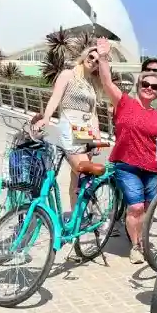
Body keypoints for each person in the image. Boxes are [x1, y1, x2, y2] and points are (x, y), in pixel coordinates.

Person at [97, 38, 157, 265]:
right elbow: (107, 81)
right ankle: (136, 246)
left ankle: (142, 240)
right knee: (135, 207)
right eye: (145, 84)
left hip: (151, 168)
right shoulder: (124, 103)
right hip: (127, 165)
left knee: (147, 209)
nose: (149, 89)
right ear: (138, 85)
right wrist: (103, 57)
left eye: (154, 87)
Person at [34, 47, 102, 209]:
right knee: (84, 174)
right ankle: (90, 211)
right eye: (91, 57)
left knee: (76, 179)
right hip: (69, 127)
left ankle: (75, 215)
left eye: (97, 61)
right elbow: (55, 98)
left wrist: (97, 136)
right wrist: (46, 118)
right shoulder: (68, 74)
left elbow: (93, 113)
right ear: (85, 56)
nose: (93, 61)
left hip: (86, 131)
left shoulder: (91, 84)